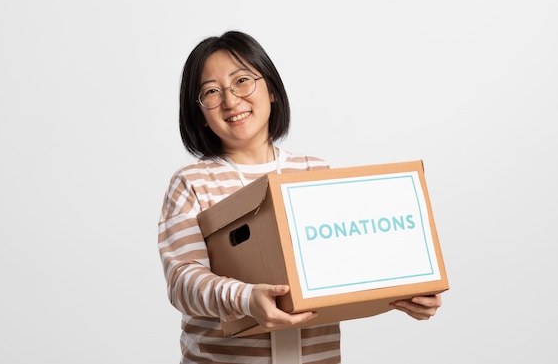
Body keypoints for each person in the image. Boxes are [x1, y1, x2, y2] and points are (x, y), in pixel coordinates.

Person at [157, 30, 442, 363]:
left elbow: (351, 261)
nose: (231, 100)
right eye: (211, 92)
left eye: (242, 81)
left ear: (272, 91)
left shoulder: (314, 173)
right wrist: (246, 299)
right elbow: (183, 281)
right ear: (199, 114)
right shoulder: (191, 183)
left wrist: (409, 287)